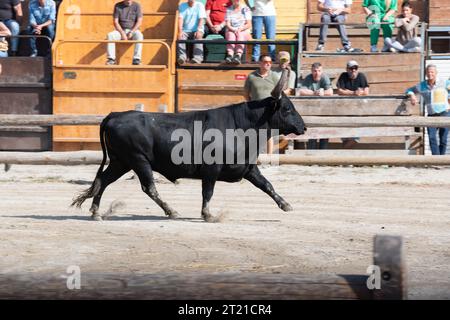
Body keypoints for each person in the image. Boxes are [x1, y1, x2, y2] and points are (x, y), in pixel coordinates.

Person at [406, 65, 450, 155]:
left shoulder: (444, 82)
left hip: (444, 113)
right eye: (428, 72)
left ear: (436, 73)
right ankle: (436, 160)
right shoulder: (422, 85)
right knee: (432, 138)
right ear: (426, 73)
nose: (430, 74)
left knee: (443, 139)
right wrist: (412, 95)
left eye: (432, 72)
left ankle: (441, 161)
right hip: (431, 115)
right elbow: (409, 90)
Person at [298, 62, 333, 149]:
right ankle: (311, 156)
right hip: (311, 110)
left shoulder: (324, 77)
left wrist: (322, 93)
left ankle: (322, 156)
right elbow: (301, 91)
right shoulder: (308, 78)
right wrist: (314, 93)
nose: (317, 73)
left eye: (319, 71)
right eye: (315, 71)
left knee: (324, 134)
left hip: (324, 111)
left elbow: (330, 92)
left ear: (322, 71)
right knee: (312, 133)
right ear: (311, 71)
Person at [337, 60, 370, 148]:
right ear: (347, 69)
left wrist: (351, 92)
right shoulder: (343, 75)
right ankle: (345, 154)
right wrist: (354, 93)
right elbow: (340, 91)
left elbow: (366, 91)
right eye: (351, 68)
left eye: (355, 68)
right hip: (344, 108)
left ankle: (343, 152)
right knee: (345, 134)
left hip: (357, 108)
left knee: (354, 137)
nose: (353, 70)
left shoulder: (361, 76)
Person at [106, 0, 144, 65]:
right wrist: (122, 32)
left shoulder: (137, 6)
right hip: (120, 30)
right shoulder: (117, 6)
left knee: (139, 35)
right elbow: (115, 22)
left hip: (133, 30)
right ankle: (111, 59)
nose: (128, 1)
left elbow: (139, 21)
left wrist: (132, 31)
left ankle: (136, 59)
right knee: (110, 35)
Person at [177, 0, 206, 65]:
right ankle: (182, 57)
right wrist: (180, 31)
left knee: (198, 36)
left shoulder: (200, 5)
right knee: (180, 36)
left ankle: (198, 58)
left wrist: (199, 30)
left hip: (197, 28)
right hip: (185, 29)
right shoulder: (182, 5)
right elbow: (180, 19)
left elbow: (201, 19)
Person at [224, 0, 251, 64]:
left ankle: (238, 55)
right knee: (231, 35)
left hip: (243, 29)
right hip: (232, 29)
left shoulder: (246, 9)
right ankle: (230, 55)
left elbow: (249, 24)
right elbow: (228, 24)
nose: (236, 1)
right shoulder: (229, 9)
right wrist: (233, 29)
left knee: (240, 34)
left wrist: (240, 29)